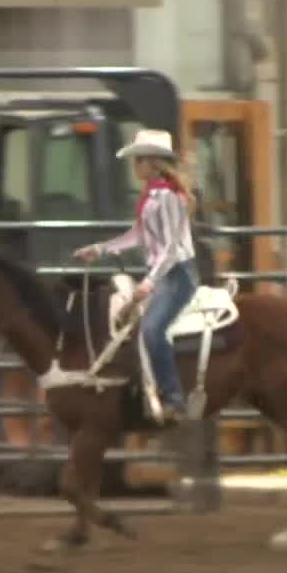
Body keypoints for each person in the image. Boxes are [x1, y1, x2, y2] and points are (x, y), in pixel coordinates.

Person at [73, 128, 199, 423]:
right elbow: (139, 235)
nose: (135, 166)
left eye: (138, 159)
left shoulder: (168, 197)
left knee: (152, 330)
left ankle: (174, 399)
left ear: (153, 162)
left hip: (177, 274)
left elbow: (171, 247)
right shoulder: (153, 195)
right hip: (164, 272)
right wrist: (101, 249)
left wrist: (149, 282)